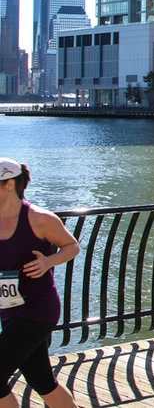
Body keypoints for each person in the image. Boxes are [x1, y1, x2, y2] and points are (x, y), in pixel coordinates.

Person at [0, 158, 81, 408]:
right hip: (8, 309)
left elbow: (72, 247)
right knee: (42, 381)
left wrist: (48, 262)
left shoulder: (39, 219)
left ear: (9, 184)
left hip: (37, 309)